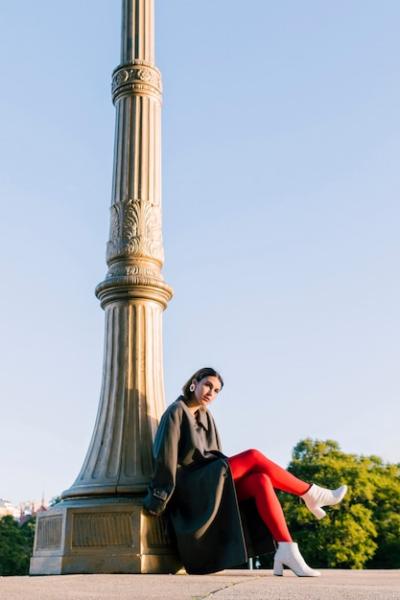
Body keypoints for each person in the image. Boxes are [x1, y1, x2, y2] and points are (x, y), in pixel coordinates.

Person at [143, 367, 347, 576]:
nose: (211, 393)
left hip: (209, 479)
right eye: (207, 385)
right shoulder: (176, 411)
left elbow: (214, 455)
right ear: (194, 383)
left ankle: (286, 549)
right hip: (191, 488)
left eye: (216, 391)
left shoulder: (206, 417)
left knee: (260, 480)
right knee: (253, 456)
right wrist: (158, 499)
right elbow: (164, 459)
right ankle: (311, 494)